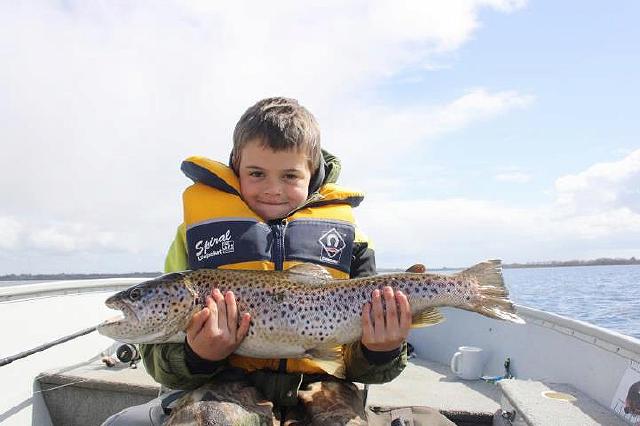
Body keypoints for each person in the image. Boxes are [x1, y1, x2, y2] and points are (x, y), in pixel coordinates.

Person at [103, 97, 411, 425]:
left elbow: (366, 369)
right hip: (222, 384)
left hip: (325, 384)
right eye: (257, 173)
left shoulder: (353, 241)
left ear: (314, 172)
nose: (273, 189)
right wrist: (198, 356)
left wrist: (382, 350)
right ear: (236, 165)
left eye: (290, 176)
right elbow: (162, 365)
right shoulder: (192, 237)